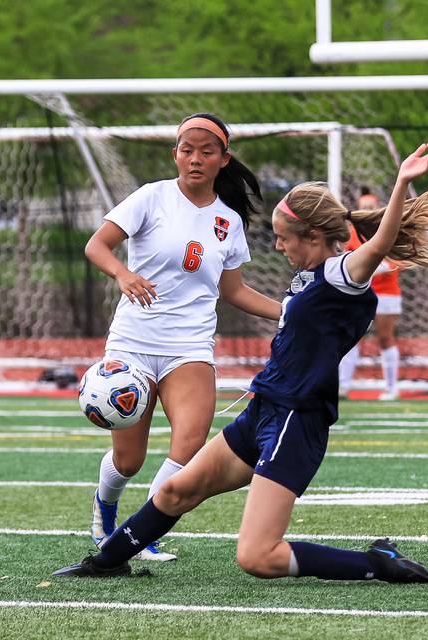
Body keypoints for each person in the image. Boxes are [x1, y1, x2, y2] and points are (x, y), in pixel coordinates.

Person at [53, 142, 428, 583]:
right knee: (176, 489)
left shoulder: (342, 273)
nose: (276, 244)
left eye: (283, 236)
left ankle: (376, 563)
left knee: (258, 557)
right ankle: (103, 563)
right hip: (264, 409)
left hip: (296, 420)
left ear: (311, 235)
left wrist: (402, 181)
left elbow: (380, 242)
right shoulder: (309, 276)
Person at [82, 112, 281, 561]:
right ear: (175, 154)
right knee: (128, 461)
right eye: (187, 150)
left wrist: (289, 312)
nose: (195, 159)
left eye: (206, 152)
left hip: (189, 346)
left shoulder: (228, 220)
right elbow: (96, 245)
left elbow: (233, 291)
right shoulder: (151, 197)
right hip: (132, 342)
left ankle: (141, 534)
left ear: (223, 160)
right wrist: (123, 273)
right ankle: (105, 508)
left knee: (190, 446)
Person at [338, 188, 403, 401]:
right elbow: (347, 259)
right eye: (363, 207)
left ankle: (392, 388)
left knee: (385, 338)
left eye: (371, 207)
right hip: (359, 292)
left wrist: (374, 267)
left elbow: (395, 262)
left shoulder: (388, 228)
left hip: (386, 293)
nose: (366, 211)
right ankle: (343, 387)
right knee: (351, 337)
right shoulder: (352, 233)